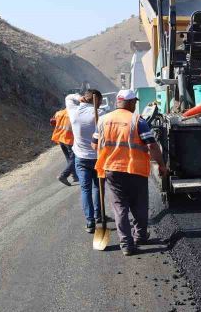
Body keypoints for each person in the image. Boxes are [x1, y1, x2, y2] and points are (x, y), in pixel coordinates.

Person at [93, 89, 168, 256]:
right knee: (139, 204)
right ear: (131, 102)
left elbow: (94, 145)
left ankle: (126, 245)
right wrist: (161, 165)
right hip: (135, 170)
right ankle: (140, 236)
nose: (135, 104)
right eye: (134, 102)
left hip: (112, 170)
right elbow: (152, 145)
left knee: (120, 207)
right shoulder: (137, 120)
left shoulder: (103, 120)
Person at [66, 89, 103, 233]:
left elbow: (69, 97)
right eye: (99, 101)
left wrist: (77, 97)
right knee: (97, 187)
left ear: (83, 99)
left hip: (80, 158)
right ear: (97, 101)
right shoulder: (100, 114)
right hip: (97, 157)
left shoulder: (73, 111)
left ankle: (90, 221)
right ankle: (98, 215)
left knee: (85, 189)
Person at [50, 107, 78, 186]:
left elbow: (53, 122)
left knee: (69, 158)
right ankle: (64, 175)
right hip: (69, 139)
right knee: (75, 158)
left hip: (60, 138)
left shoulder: (58, 113)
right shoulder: (74, 114)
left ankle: (75, 176)